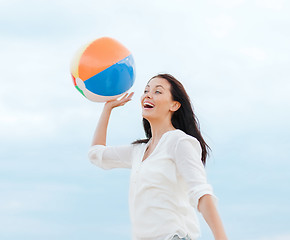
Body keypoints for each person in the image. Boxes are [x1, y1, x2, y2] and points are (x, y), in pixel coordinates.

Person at [88, 73, 228, 240]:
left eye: (157, 92)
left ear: (174, 105)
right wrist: (107, 108)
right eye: (146, 90)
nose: (148, 94)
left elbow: (201, 193)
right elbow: (96, 155)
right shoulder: (138, 151)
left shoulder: (179, 141)